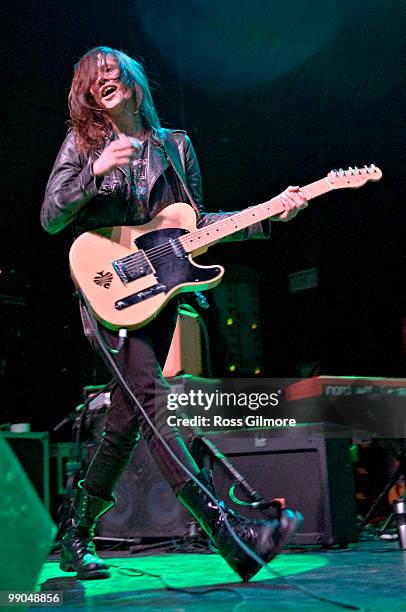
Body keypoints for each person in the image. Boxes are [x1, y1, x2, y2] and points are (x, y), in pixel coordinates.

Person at [41, 46, 306, 582]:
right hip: (108, 290)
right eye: (95, 79)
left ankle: (73, 535)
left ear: (133, 82)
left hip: (162, 294)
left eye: (112, 71)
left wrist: (268, 213)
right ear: (88, 95)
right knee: (149, 401)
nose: (104, 78)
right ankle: (229, 532)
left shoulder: (174, 145)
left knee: (125, 418)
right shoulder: (83, 144)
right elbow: (51, 216)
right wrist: (94, 171)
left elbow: (197, 222)